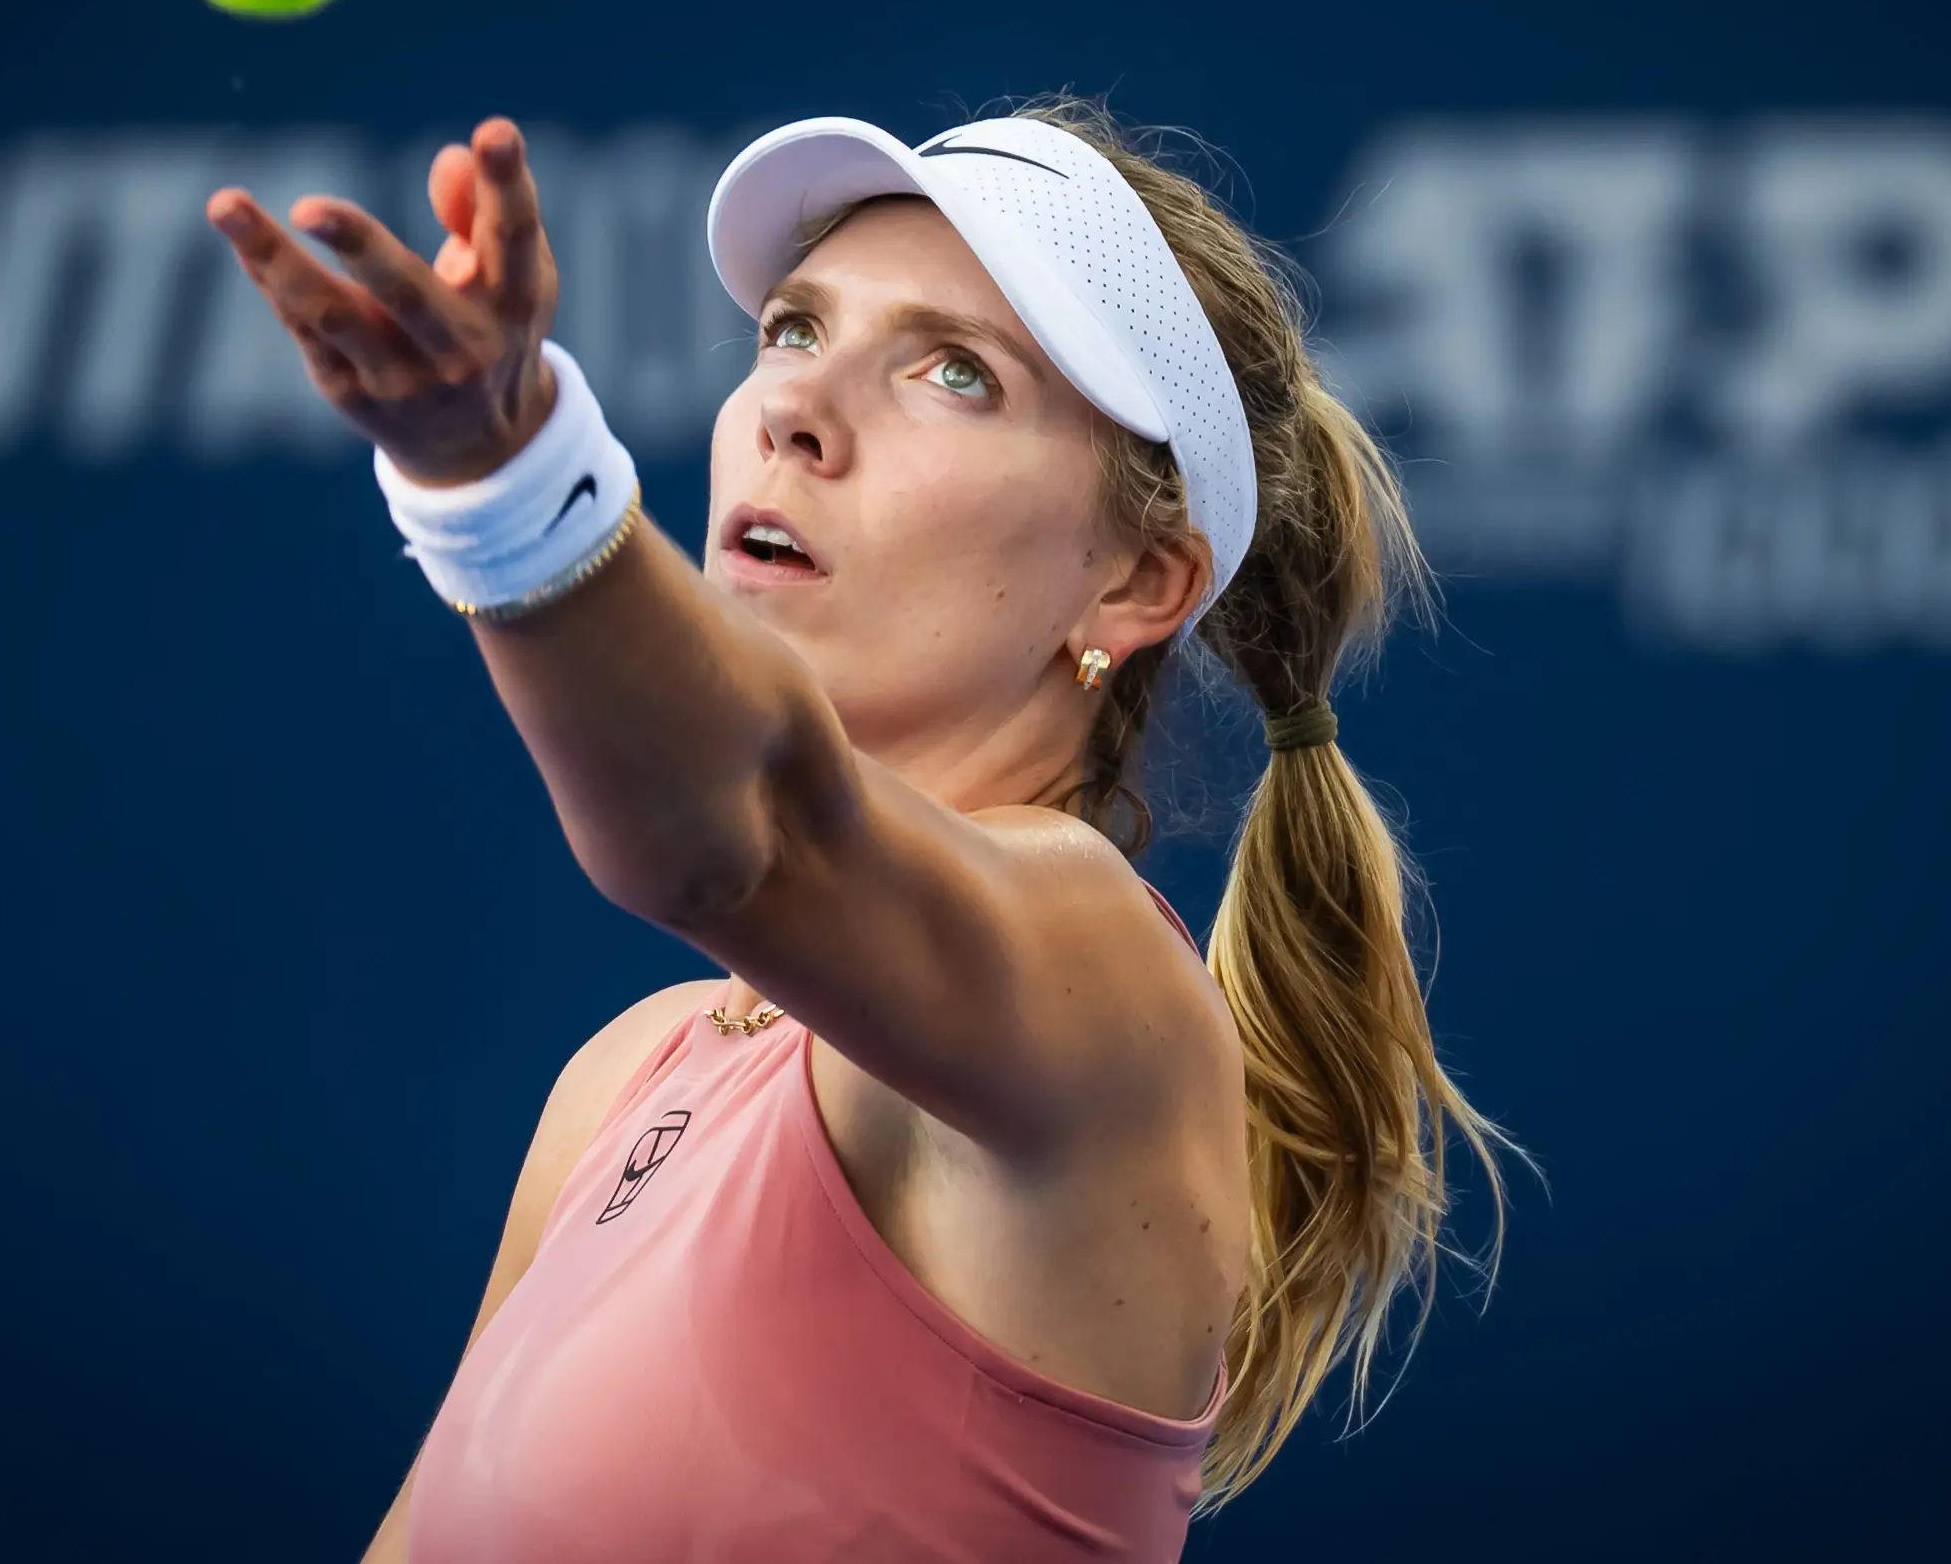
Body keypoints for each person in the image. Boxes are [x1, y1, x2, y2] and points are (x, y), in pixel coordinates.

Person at [205, 97, 1526, 1561]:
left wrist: (510, 475)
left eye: (955, 375)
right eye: (790, 329)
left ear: (1135, 586)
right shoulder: (616, 1084)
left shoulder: (1100, 980)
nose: (794, 408)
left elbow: (746, 834)